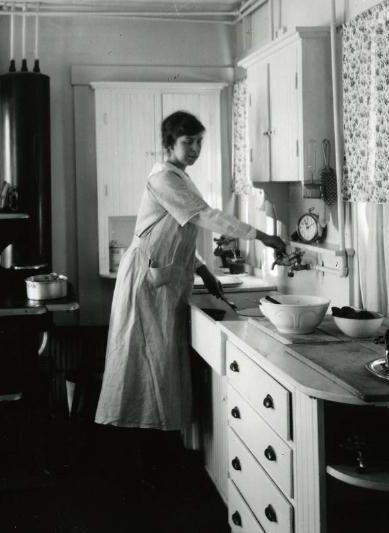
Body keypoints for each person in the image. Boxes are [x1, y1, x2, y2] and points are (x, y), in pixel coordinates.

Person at [93, 110, 286, 489]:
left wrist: (202, 269)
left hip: (163, 280)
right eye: (188, 142)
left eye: (199, 141)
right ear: (170, 144)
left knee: (158, 368)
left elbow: (176, 231)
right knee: (143, 369)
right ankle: (135, 468)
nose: (195, 149)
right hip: (145, 285)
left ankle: (153, 461)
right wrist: (261, 236)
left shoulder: (180, 177)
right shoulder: (164, 177)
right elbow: (205, 217)